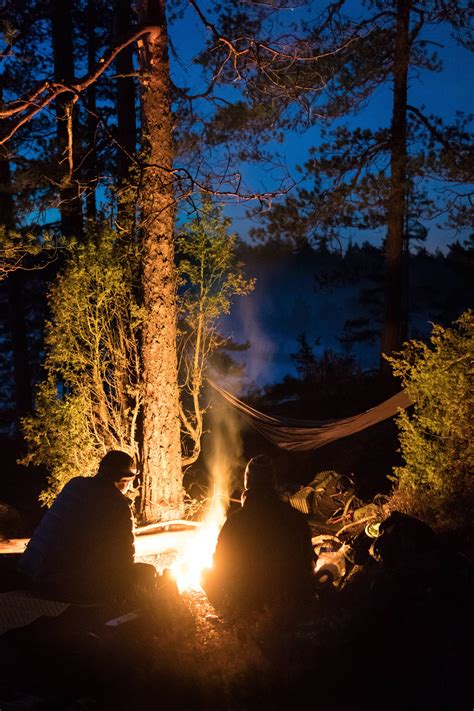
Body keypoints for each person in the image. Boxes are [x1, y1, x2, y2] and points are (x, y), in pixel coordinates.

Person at [18, 450, 156, 603]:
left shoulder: (74, 485)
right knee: (146, 572)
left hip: (28, 572)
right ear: (124, 480)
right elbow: (124, 557)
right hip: (57, 586)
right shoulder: (117, 505)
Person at [201, 455, 315, 616]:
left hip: (250, 602)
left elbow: (220, 564)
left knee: (205, 575)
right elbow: (309, 561)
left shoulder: (236, 521)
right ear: (274, 483)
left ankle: (234, 613)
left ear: (248, 483)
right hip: (292, 597)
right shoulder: (295, 517)